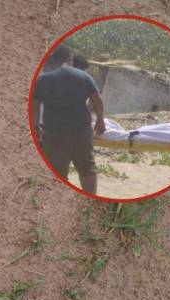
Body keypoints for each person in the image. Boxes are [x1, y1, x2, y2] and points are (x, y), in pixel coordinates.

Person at [32, 45, 105, 194]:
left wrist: (35, 127)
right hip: (81, 131)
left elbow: (35, 106)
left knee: (57, 172)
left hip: (54, 133)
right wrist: (100, 120)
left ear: (53, 59)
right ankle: (91, 197)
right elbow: (97, 100)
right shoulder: (83, 76)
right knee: (87, 168)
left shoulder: (43, 79)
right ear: (69, 59)